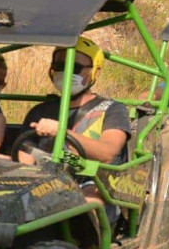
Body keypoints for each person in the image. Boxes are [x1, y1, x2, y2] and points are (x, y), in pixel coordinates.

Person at [20, 37, 131, 208]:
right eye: (60, 66)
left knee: (85, 204)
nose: (66, 72)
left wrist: (63, 133)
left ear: (95, 72)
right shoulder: (40, 112)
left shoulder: (112, 109)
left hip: (93, 185)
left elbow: (109, 152)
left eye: (75, 68)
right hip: (43, 183)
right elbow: (23, 161)